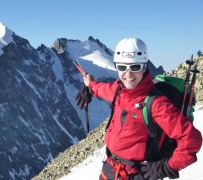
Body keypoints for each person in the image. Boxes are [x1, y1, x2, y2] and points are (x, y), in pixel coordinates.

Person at [79, 38, 202, 179]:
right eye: (122, 67)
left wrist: (165, 168)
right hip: (109, 169)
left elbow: (192, 139)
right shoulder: (118, 90)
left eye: (135, 67)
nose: (128, 74)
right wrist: (90, 85)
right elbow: (101, 89)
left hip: (138, 175)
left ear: (144, 67)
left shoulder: (156, 104)